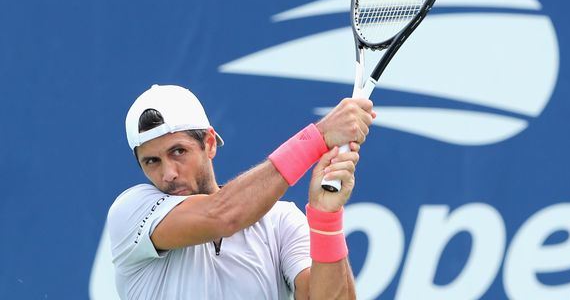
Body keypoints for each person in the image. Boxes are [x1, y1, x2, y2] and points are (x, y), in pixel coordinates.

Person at [107, 84, 375, 299]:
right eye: (151, 161)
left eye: (178, 151)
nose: (168, 174)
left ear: (209, 143)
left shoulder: (280, 222)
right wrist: (319, 136)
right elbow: (223, 215)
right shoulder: (131, 213)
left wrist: (325, 217)